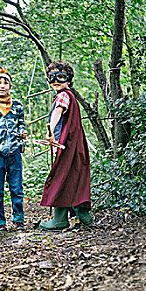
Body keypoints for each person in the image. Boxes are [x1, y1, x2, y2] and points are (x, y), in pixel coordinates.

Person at [39, 62, 93, 230]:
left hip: (66, 146)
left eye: (61, 77)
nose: (56, 81)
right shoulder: (71, 96)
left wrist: (51, 129)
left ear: (69, 81)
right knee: (74, 176)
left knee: (60, 177)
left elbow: (58, 111)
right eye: (52, 77)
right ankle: (81, 214)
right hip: (74, 146)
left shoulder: (63, 95)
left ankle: (60, 219)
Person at [0, 66, 27, 232]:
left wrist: (22, 135)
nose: (2, 86)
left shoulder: (17, 105)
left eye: (5, 82)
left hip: (14, 151)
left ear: (10, 86)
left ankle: (19, 220)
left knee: (16, 188)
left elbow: (21, 122)